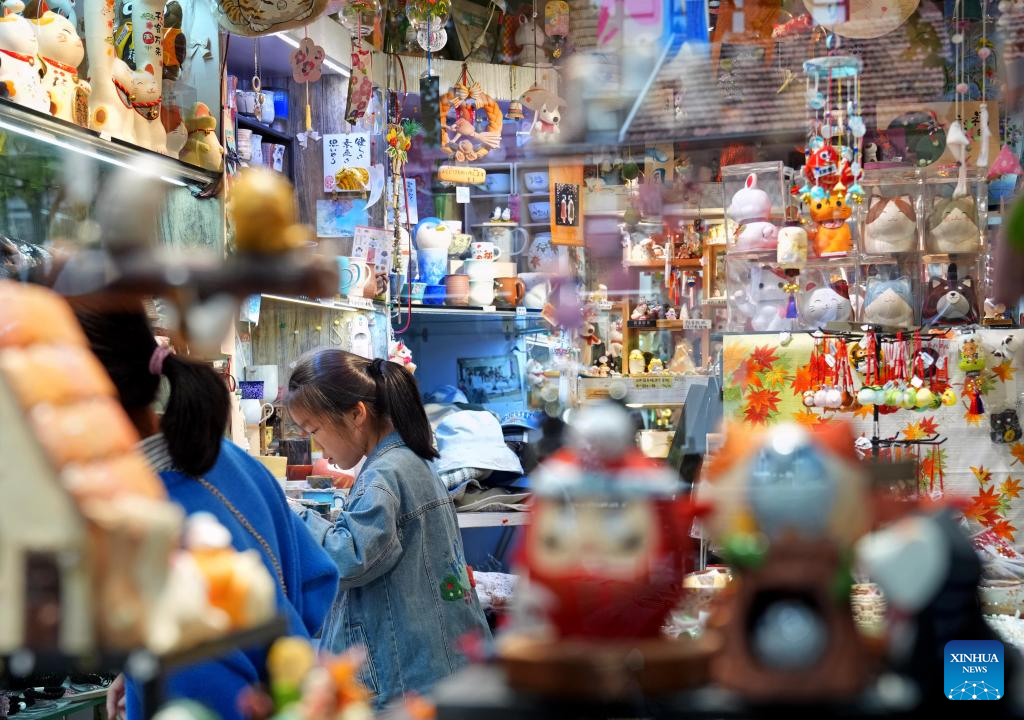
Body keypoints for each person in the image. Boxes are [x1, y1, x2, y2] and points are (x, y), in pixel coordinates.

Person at [74, 306, 339, 720]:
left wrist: (164, 672)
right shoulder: (226, 457)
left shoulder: (145, 531)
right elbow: (317, 579)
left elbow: (204, 685)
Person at [286, 349, 491, 707]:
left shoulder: (384, 474)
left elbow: (349, 559)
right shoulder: (410, 459)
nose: (317, 447)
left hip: (405, 682)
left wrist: (286, 513)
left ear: (356, 414)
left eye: (314, 430)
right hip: (441, 668)